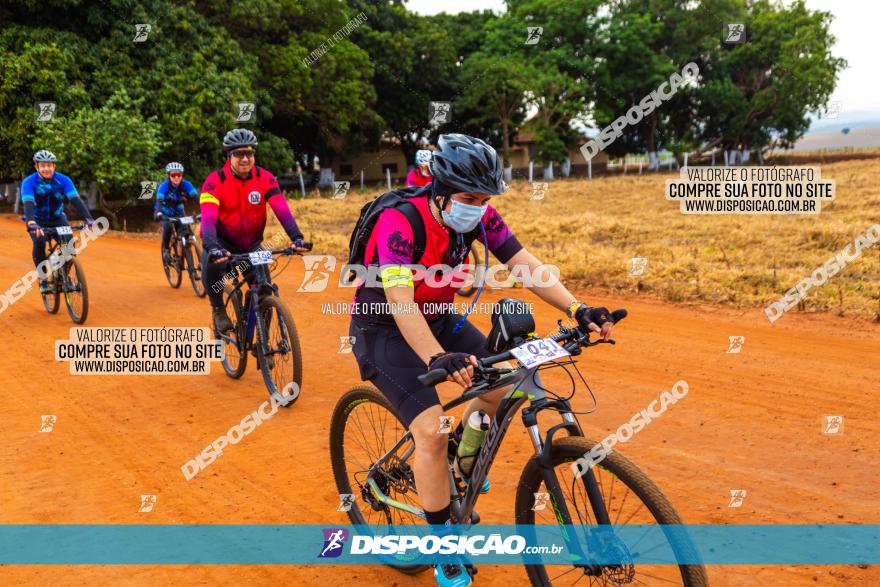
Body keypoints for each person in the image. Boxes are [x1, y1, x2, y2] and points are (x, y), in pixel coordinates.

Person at [349, 134, 616, 587]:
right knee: (431, 431)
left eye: (485, 198)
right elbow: (399, 300)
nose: (479, 206)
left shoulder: (478, 214)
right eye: (470, 198)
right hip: (384, 328)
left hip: (438, 318)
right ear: (440, 188)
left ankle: (459, 458)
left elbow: (523, 262)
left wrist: (577, 309)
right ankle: (443, 547)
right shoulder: (397, 222)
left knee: (503, 385)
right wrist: (438, 357)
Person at [199, 129, 310, 332]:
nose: (244, 159)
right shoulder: (214, 182)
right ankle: (218, 310)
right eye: (238, 154)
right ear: (229, 155)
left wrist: (297, 238)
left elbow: (282, 210)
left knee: (265, 290)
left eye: (249, 153)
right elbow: (207, 220)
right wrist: (212, 246)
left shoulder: (264, 178)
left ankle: (262, 341)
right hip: (221, 245)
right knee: (211, 268)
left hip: (251, 246)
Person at [21, 150, 95, 293]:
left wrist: (88, 218)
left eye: (49, 165)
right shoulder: (29, 182)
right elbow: (28, 202)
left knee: (70, 246)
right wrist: (31, 222)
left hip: (58, 219)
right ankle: (43, 279)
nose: (46, 169)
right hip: (37, 220)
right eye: (43, 166)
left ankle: (63, 275)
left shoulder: (63, 180)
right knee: (39, 241)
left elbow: (75, 199)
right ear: (36, 167)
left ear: (54, 166)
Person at [154, 162, 198, 265]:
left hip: (178, 212)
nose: (176, 177)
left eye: (179, 175)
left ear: (182, 175)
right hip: (163, 212)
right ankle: (165, 249)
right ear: (169, 176)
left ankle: (181, 256)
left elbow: (196, 197)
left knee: (185, 233)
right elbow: (159, 201)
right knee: (168, 227)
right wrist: (158, 213)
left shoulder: (186, 184)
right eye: (173, 175)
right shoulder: (163, 186)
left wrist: (205, 210)